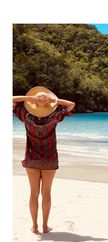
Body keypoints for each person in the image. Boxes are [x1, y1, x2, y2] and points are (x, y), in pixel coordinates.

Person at [13, 86, 75, 234]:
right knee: (46, 193)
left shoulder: (25, 116)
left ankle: (34, 226)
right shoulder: (54, 116)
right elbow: (71, 105)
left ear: (33, 104)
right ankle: (45, 226)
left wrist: (30, 98)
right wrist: (53, 100)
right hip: (50, 158)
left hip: (31, 158)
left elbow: (10, 100)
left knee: (33, 193)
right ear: (49, 104)